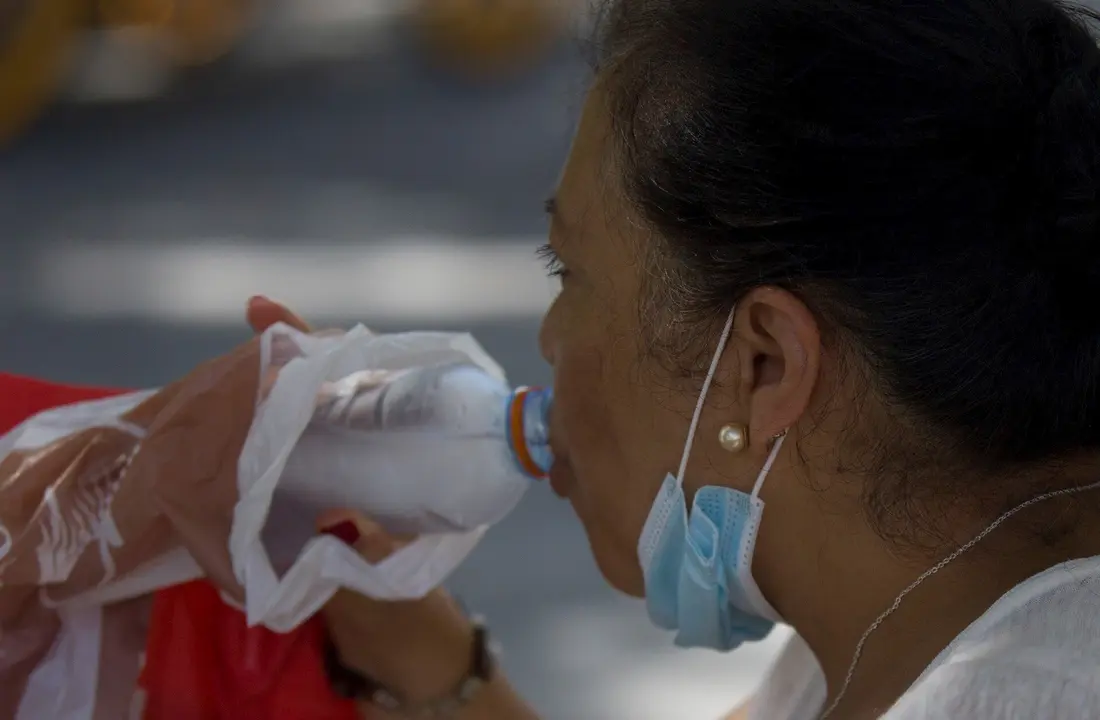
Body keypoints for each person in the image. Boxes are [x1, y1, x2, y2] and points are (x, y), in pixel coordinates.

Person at [245, 0, 1100, 716]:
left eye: (567, 271)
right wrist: (425, 658)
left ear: (763, 366)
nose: (548, 339)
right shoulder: (924, 609)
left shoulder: (1019, 691)